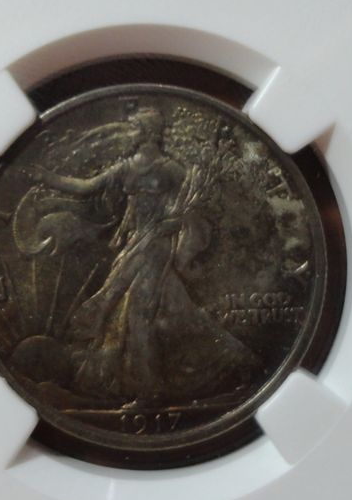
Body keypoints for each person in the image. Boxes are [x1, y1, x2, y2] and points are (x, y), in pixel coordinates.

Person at [23, 106, 258, 405]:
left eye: (133, 127)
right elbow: (86, 187)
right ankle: (234, 362)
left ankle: (150, 391)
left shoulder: (170, 168)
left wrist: (177, 224)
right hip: (135, 244)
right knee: (169, 314)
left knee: (138, 316)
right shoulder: (126, 167)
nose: (128, 132)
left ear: (148, 132)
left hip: (156, 247)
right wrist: (48, 177)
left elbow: (194, 208)